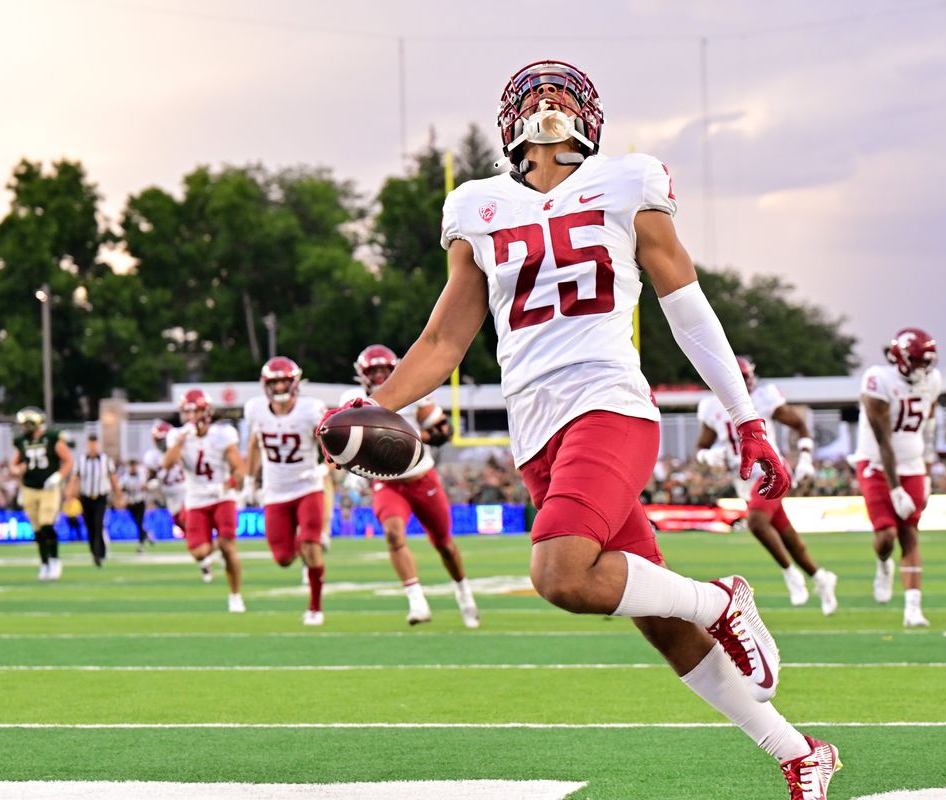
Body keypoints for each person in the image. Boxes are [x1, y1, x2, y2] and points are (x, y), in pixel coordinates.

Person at [331, 60, 840, 798]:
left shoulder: (630, 181)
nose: (548, 103)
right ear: (508, 122)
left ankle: (724, 598)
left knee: (559, 575)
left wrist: (747, 416)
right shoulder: (476, 204)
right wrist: (375, 409)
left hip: (608, 407)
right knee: (660, 621)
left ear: (591, 118)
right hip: (537, 433)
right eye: (533, 95)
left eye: (564, 94)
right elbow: (444, 342)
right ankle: (800, 752)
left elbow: (688, 307)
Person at [341, 344, 479, 629]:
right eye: (373, 370)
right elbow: (340, 435)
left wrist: (411, 435)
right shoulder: (353, 401)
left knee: (444, 545)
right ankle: (416, 599)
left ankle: (463, 590)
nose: (379, 375)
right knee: (393, 535)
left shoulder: (411, 392)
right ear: (362, 375)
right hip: (387, 483)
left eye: (384, 369)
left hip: (421, 478)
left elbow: (444, 431)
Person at [695, 356, 838, 614]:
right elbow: (701, 447)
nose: (747, 384)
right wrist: (707, 456)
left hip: (771, 469)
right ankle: (821, 577)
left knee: (757, 522)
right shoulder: (709, 407)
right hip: (744, 481)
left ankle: (790, 574)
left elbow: (799, 425)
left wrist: (805, 457)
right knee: (786, 535)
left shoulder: (763, 398)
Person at [852, 327, 941, 627]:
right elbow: (882, 439)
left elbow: (928, 430)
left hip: (913, 464)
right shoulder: (878, 380)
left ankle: (913, 609)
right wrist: (895, 490)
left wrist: (927, 473)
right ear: (901, 359)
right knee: (886, 535)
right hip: (877, 464)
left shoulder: (933, 381)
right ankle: (882, 563)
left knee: (910, 533)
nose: (923, 369)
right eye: (917, 362)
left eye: (925, 362)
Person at [244, 357, 329, 625]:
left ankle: (315, 607)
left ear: (294, 383)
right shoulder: (255, 410)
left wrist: (326, 466)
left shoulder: (311, 409)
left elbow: (327, 440)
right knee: (282, 558)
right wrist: (249, 480)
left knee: (310, 545)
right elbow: (255, 444)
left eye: (284, 380)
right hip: (275, 491)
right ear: (265, 384)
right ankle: (304, 545)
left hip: (307, 486)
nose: (279, 385)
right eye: (275, 381)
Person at [162, 389, 248, 612]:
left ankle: (235, 595)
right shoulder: (176, 436)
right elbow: (167, 464)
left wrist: (227, 485)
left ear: (206, 412)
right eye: (187, 413)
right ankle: (218, 545)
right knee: (199, 552)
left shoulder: (223, 434)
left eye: (195, 412)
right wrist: (180, 443)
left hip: (222, 498)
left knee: (229, 549)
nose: (190, 418)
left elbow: (239, 468)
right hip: (195, 500)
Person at [10, 406, 74, 581]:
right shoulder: (22, 441)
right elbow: (13, 466)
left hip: (48, 489)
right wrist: (17, 470)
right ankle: (44, 563)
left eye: (26, 424)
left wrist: (58, 476)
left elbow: (68, 460)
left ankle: (54, 560)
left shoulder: (52, 438)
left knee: (47, 524)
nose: (23, 427)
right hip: (29, 488)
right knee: (37, 530)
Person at [70, 433, 124, 567]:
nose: (92, 447)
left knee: (98, 524)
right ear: (87, 445)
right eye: (90, 444)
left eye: (94, 444)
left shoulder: (105, 460)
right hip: (85, 497)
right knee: (90, 526)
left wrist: (118, 494)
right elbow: (75, 479)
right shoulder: (81, 460)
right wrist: (70, 495)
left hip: (100, 497)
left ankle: (99, 553)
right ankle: (94, 552)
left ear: (98, 445)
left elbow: (112, 477)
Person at [143, 421, 186, 541]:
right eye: (159, 440)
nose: (162, 444)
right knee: (181, 524)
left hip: (186, 492)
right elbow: (150, 478)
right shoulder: (152, 456)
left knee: (189, 521)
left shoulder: (180, 451)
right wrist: (152, 483)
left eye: (163, 440)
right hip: (170, 496)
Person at [119, 457, 153, 553]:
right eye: (131, 466)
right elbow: (120, 489)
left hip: (140, 502)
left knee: (139, 522)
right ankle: (146, 535)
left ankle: (141, 545)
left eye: (134, 466)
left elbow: (145, 487)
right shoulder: (125, 477)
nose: (133, 468)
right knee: (137, 523)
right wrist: (123, 499)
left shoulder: (141, 475)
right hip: (130, 503)